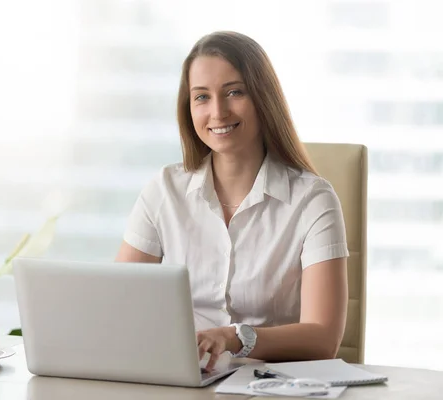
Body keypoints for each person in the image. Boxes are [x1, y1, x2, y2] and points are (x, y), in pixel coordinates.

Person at [116, 31, 349, 371]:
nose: (218, 112)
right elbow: (117, 303)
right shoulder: (164, 189)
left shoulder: (313, 200)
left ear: (262, 98)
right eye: (202, 97)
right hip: (184, 379)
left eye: (234, 92)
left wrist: (233, 337)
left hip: (271, 385)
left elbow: (323, 339)